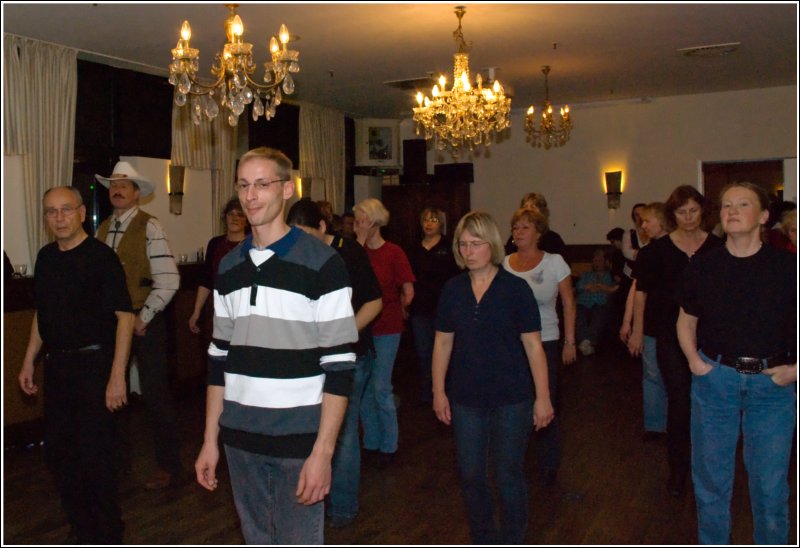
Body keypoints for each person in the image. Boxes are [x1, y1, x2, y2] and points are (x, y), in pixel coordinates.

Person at [194, 148, 359, 544]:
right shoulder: (229, 266)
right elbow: (219, 361)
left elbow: (340, 367)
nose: (250, 196)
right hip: (240, 440)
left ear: (287, 189)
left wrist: (323, 453)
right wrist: (209, 441)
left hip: (299, 441)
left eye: (262, 184)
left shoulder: (323, 263)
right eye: (244, 185)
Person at [676, 182, 796, 545]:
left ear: (763, 216)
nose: (732, 210)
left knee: (770, 487)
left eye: (743, 204)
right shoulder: (705, 265)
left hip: (772, 387)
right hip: (717, 382)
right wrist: (695, 363)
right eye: (727, 204)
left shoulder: (787, 267)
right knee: (711, 483)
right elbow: (686, 319)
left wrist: (795, 371)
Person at [19, 186, 134, 544]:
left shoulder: (101, 257)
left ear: (82, 213)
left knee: (96, 460)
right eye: (51, 211)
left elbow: (125, 318)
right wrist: (28, 361)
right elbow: (44, 314)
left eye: (66, 210)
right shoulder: (46, 257)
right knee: (60, 457)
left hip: (95, 367)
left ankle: (109, 534)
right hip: (58, 369)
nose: (59, 217)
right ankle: (81, 530)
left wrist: (117, 377)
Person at [432, 210, 553, 544]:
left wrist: (543, 398)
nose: (468, 251)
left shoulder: (515, 290)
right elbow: (442, 342)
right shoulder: (453, 290)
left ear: (492, 245)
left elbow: (533, 348)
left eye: (476, 243)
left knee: (508, 473)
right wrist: (438, 391)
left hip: (511, 396)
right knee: (471, 474)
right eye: (463, 244)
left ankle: (513, 537)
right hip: (466, 395)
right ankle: (484, 537)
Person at [286, 198, 383, 529]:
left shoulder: (348, 253)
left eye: (305, 234)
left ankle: (342, 507)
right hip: (314, 358)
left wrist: (341, 335)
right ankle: (315, 497)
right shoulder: (298, 256)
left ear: (322, 227)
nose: (299, 242)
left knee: (341, 432)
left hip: (354, 356)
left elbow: (375, 302)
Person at [95, 161, 183, 490]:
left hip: (145, 320)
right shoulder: (102, 228)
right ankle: (117, 465)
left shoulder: (150, 226)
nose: (117, 189)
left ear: (136, 194)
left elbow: (170, 280)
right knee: (112, 393)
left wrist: (143, 317)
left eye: (124, 185)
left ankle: (170, 466)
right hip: (110, 323)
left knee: (155, 395)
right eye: (113, 184)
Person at [632, 185, 723, 497]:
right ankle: (678, 470)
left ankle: (707, 468)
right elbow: (642, 293)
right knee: (680, 400)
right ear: (673, 215)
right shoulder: (656, 251)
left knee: (708, 403)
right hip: (668, 334)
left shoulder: (716, 247)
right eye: (682, 211)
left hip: (709, 336)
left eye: (693, 211)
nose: (688, 217)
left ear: (702, 212)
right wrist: (636, 330)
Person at [502, 207, 576, 487]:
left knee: (547, 399)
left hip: (546, 340)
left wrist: (569, 341)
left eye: (524, 228)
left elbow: (568, 303)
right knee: (515, 402)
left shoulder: (555, 262)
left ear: (538, 233)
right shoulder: (505, 264)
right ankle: (516, 458)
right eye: (515, 228)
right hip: (513, 343)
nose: (519, 233)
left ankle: (549, 463)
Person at [353, 198, 415, 467]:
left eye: (360, 221)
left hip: (388, 326)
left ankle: (389, 445)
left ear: (373, 221)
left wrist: (400, 306)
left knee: (380, 386)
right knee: (364, 390)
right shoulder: (357, 251)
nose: (355, 225)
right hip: (363, 327)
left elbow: (408, 290)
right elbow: (348, 270)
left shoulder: (393, 253)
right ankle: (371, 442)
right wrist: (359, 239)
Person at [621, 202, 670, 441]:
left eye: (647, 220)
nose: (643, 225)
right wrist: (628, 322)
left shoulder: (678, 250)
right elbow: (637, 288)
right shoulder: (647, 253)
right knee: (652, 374)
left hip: (674, 323)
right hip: (651, 322)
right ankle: (655, 425)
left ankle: (676, 421)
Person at [407, 207, 460, 403]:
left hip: (444, 307)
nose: (429, 223)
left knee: (447, 350)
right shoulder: (413, 249)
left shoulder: (449, 247)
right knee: (424, 352)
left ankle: (448, 389)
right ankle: (428, 391)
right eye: (426, 219)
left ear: (441, 224)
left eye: (434, 220)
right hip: (420, 308)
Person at [188, 197, 249, 337]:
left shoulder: (253, 245)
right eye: (231, 214)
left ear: (246, 220)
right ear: (225, 217)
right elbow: (206, 280)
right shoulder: (215, 244)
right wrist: (196, 312)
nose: (234, 218)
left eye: (239, 214)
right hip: (217, 310)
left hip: (244, 312)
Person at [574, 248, 618, 356]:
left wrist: (602, 287)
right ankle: (584, 342)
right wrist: (587, 286)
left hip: (600, 302)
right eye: (595, 261)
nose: (597, 263)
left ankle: (588, 342)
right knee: (579, 315)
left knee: (599, 315)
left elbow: (614, 288)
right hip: (584, 302)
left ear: (605, 262)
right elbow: (578, 287)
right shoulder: (586, 275)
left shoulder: (610, 275)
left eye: (599, 260)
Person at [504, 192, 567, 257]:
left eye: (532, 207)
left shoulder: (553, 239)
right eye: (525, 207)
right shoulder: (515, 238)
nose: (528, 211)